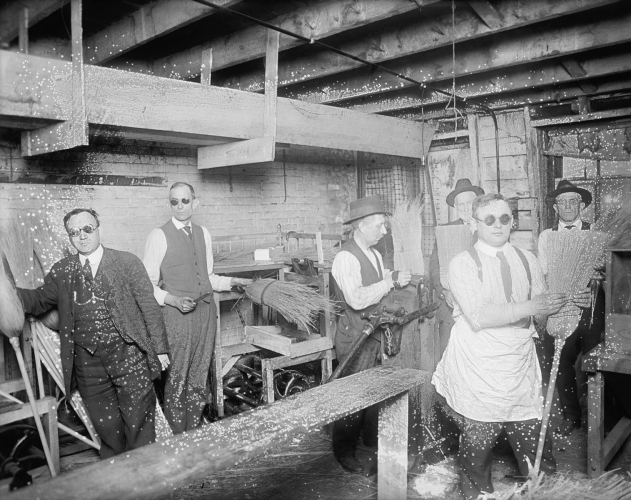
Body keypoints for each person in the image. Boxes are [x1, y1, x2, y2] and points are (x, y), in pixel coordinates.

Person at [432, 193, 588, 499]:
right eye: (489, 219)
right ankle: (478, 494)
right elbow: (479, 315)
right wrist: (533, 305)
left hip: (518, 362)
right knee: (478, 444)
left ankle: (543, 492)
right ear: (474, 224)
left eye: (504, 218)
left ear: (513, 222)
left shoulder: (527, 260)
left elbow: (541, 317)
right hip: (478, 362)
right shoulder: (461, 264)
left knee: (533, 440)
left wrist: (569, 304)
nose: (498, 225)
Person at [16, 208, 170, 458]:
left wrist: (160, 349)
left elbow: (149, 307)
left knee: (139, 424)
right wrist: (8, 294)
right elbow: (39, 299)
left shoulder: (127, 262)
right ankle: (115, 474)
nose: (82, 236)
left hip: (129, 356)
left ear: (99, 229)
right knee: (107, 428)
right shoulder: (63, 270)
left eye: (87, 229)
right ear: (69, 237)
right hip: (88, 364)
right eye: (74, 232)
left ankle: (144, 475)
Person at [143, 182, 251, 433]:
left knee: (199, 376)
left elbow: (209, 277)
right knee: (177, 378)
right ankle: (177, 437)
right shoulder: (158, 235)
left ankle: (193, 431)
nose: (180, 206)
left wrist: (233, 282)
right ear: (169, 204)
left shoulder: (204, 233)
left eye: (185, 200)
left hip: (205, 314)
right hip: (177, 318)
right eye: (174, 201)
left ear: (195, 202)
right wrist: (173, 300)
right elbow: (147, 285)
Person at [330, 195, 412, 474]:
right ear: (362, 226)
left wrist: (393, 276)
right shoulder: (345, 258)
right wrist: (388, 283)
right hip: (354, 333)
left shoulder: (374, 254)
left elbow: (377, 278)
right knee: (352, 395)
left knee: (374, 387)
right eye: (380, 225)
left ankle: (370, 440)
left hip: (374, 332)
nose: (384, 231)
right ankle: (344, 451)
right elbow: (356, 298)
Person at [537, 179, 605, 436]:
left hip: (589, 305)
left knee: (593, 360)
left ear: (582, 205)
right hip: (560, 305)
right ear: (555, 208)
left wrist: (597, 281)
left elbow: (607, 269)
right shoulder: (547, 236)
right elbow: (542, 273)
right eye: (562, 202)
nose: (567, 206)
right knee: (562, 361)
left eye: (573, 201)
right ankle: (571, 416)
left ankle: (596, 417)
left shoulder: (595, 233)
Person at [429, 178, 484, 356]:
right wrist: (443, 292)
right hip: (451, 306)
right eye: (461, 204)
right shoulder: (446, 232)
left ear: (476, 203)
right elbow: (434, 267)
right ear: (455, 206)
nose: (465, 208)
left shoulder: (488, 229)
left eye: (469, 203)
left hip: (481, 306)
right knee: (449, 353)